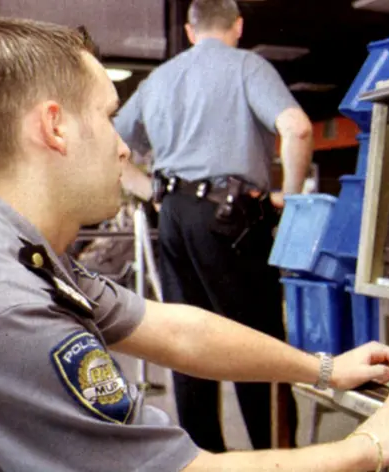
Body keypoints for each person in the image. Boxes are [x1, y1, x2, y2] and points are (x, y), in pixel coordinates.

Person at [0, 17, 389, 471]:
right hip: (232, 217)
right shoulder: (0, 303)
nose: (124, 147)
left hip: (180, 216)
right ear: (55, 128)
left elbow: (176, 329)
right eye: (107, 117)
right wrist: (372, 447)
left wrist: (323, 369)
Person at [113, 0, 315, 453]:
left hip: (175, 219)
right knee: (259, 343)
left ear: (188, 30)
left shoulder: (158, 79)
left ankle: (203, 459)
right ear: (238, 26)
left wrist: (154, 194)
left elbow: (114, 146)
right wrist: (293, 199)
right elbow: (297, 129)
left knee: (188, 343)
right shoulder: (248, 66)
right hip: (234, 220)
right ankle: (277, 458)